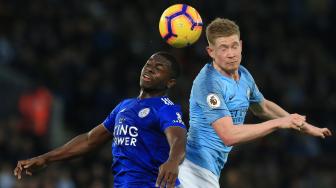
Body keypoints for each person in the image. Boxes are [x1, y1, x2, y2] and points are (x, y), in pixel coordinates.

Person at [178, 18, 332, 188]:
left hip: (208, 170)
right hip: (192, 169)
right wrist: (279, 123)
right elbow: (229, 135)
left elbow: (263, 107)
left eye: (234, 46)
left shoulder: (243, 74)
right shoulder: (208, 83)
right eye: (223, 48)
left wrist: (304, 126)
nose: (231, 53)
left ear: (241, 45)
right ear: (210, 51)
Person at [13, 51, 187, 188]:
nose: (149, 68)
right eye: (148, 64)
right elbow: (90, 140)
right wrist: (46, 158)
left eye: (158, 68)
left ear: (170, 82)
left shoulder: (165, 108)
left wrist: (172, 161)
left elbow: (179, 138)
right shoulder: (124, 106)